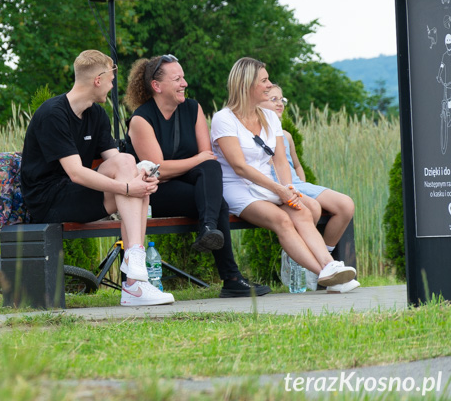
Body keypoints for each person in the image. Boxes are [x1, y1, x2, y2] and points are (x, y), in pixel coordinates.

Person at [20, 49, 173, 307]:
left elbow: (118, 161)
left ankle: (134, 265)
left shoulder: (96, 114)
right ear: (98, 79)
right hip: (49, 199)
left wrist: (140, 175)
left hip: (77, 192)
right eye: (112, 80)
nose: (113, 87)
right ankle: (135, 281)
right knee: (132, 186)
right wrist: (128, 186)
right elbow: (76, 172)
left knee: (132, 169)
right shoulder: (53, 114)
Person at [124, 55, 271, 298]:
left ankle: (207, 228)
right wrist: (196, 161)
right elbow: (156, 171)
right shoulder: (142, 119)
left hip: (187, 184)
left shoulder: (192, 108)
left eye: (183, 77)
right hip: (153, 193)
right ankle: (231, 278)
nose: (185, 83)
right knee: (217, 201)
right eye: (177, 79)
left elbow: (208, 157)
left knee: (211, 171)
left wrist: (198, 162)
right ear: (156, 86)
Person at [210, 57, 357, 290]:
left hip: (268, 184)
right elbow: (239, 166)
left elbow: (279, 159)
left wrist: (288, 189)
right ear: (247, 84)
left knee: (301, 208)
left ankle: (330, 267)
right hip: (237, 187)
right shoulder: (223, 119)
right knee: (281, 219)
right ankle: (325, 275)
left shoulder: (268, 117)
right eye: (264, 80)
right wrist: (278, 189)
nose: (269, 85)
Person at [261, 85, 359, 292]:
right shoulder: (254, 134)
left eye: (282, 99)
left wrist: (301, 185)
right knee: (311, 207)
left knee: (346, 205)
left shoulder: (285, 136)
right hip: (275, 186)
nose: (280, 103)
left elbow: (296, 165)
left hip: (297, 184)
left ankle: (324, 257)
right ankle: (313, 264)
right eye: (273, 99)